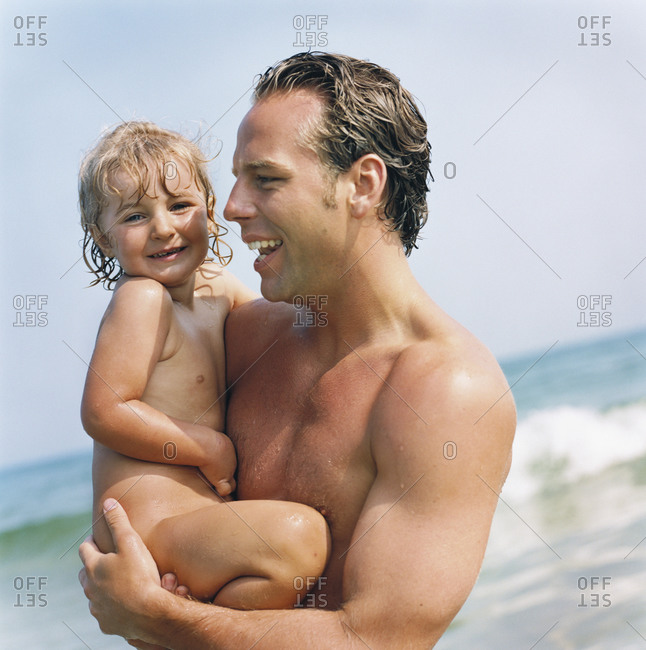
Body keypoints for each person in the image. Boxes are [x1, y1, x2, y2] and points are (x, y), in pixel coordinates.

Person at [79, 52, 516, 648]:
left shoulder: (447, 392)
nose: (230, 207)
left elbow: (378, 640)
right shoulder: (241, 335)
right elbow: (131, 446)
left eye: (266, 178)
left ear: (362, 185)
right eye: (234, 179)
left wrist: (163, 620)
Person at [78, 121, 330, 607]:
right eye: (134, 216)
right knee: (300, 538)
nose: (163, 228)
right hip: (149, 532)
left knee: (296, 563)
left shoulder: (215, 287)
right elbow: (104, 411)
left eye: (179, 206)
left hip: (190, 526)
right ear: (104, 238)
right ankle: (179, 624)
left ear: (210, 210)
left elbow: (284, 317)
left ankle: (190, 619)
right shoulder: (142, 299)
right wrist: (206, 448)